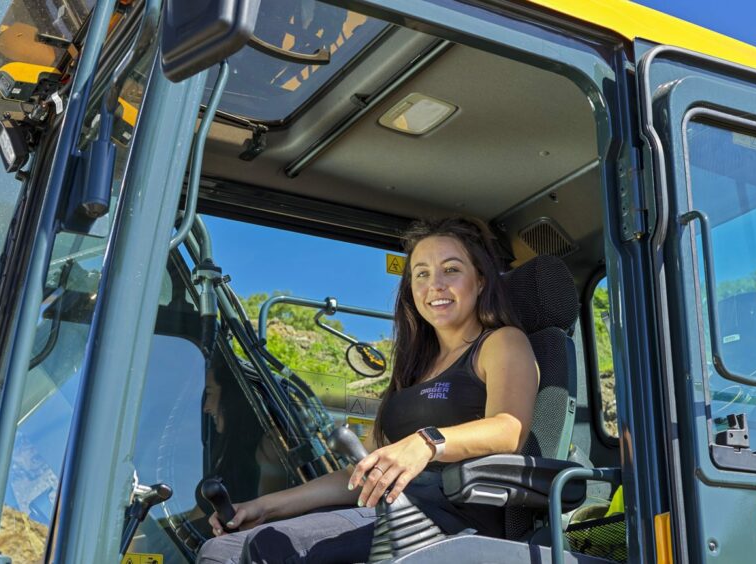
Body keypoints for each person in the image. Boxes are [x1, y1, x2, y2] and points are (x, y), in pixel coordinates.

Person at [196, 217, 539, 563]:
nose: (434, 284)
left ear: (480, 281)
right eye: (421, 274)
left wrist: (426, 443)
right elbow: (360, 473)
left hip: (446, 522)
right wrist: (266, 507)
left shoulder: (501, 342)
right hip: (389, 511)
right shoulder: (414, 368)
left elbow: (510, 427)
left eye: (451, 270)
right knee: (221, 549)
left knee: (267, 550)